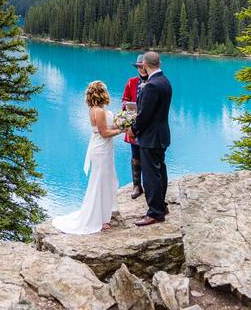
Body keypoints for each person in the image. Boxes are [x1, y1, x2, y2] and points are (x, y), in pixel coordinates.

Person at [51, 81, 123, 234]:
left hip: (101, 149)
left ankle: (103, 214)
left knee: (104, 180)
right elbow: (104, 133)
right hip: (102, 149)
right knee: (100, 182)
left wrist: (118, 124)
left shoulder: (93, 109)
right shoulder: (100, 111)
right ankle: (98, 219)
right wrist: (121, 130)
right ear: (102, 93)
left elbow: (104, 129)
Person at [131, 51, 172, 226]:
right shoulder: (165, 81)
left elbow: (144, 115)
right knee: (160, 170)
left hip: (150, 138)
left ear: (146, 65)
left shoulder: (151, 85)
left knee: (150, 175)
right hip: (162, 135)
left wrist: (133, 129)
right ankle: (161, 205)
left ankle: (155, 212)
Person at [121, 54, 148, 199]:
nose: (141, 69)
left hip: (148, 127)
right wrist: (128, 106)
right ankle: (137, 185)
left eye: (143, 67)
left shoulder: (153, 82)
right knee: (135, 156)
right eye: (138, 67)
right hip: (134, 125)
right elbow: (124, 99)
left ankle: (149, 185)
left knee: (148, 157)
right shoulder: (131, 82)